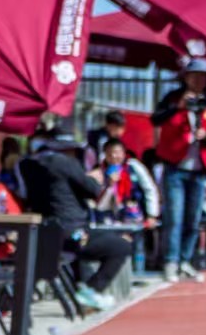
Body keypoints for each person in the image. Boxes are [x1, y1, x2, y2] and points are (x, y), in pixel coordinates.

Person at [20, 134, 136, 313]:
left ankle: (83, 290)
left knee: (81, 251)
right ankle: (92, 289)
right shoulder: (65, 163)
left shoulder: (29, 165)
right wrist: (97, 179)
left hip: (45, 232)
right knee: (121, 246)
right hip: (72, 231)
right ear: (70, 149)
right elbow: (93, 190)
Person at [150, 57, 206, 281]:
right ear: (186, 78)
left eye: (202, 77)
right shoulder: (172, 99)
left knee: (193, 218)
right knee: (175, 217)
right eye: (194, 75)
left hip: (199, 170)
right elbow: (155, 120)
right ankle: (170, 261)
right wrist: (177, 108)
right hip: (175, 167)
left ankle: (186, 260)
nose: (198, 80)